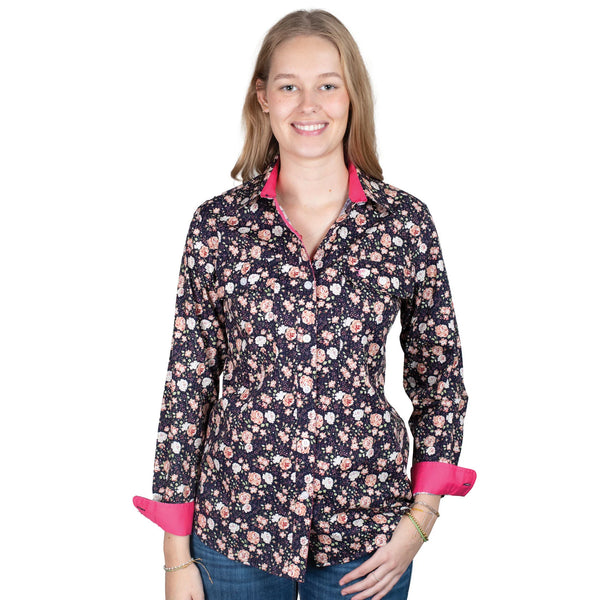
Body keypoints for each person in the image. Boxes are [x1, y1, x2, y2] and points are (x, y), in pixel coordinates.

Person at [133, 9, 476, 600]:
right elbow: (188, 385)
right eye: (289, 86)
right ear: (263, 98)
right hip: (235, 529)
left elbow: (439, 375)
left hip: (366, 533)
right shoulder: (218, 225)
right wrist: (174, 557)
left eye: (328, 85)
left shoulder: (404, 223)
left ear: (352, 97)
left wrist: (420, 522)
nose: (309, 104)